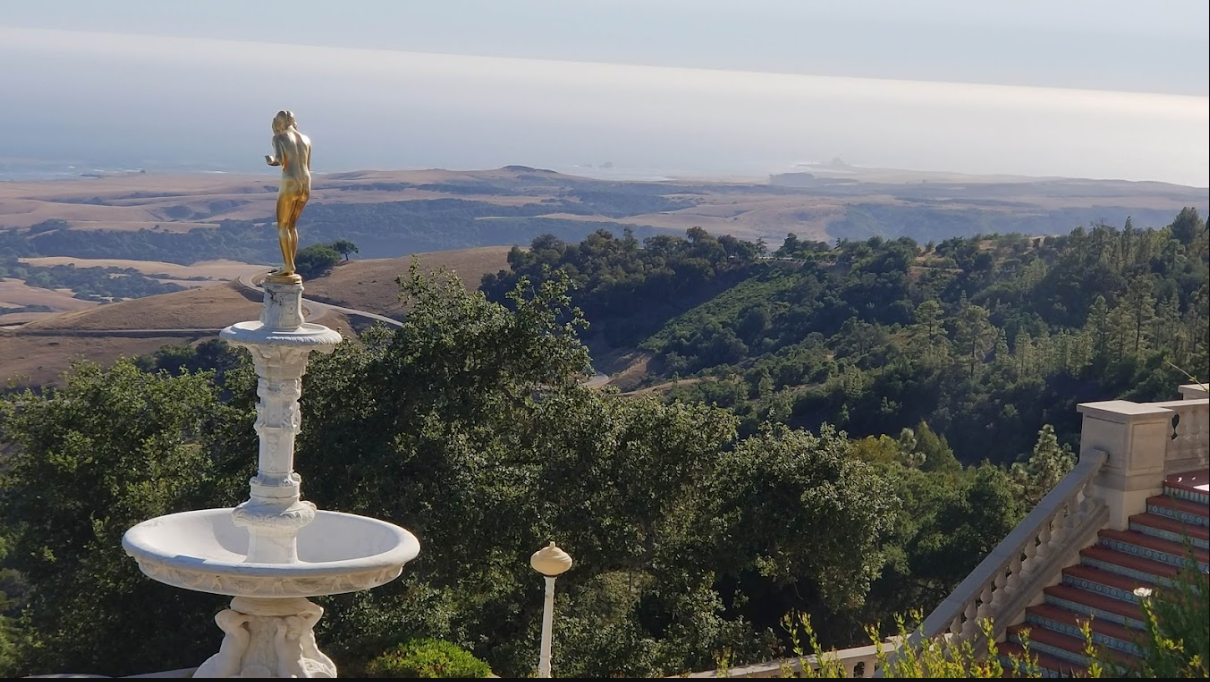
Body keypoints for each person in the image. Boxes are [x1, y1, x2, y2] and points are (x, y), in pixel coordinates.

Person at [264, 110, 312, 281]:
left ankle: (288, 265)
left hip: (290, 183)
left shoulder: (279, 137)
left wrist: (269, 159)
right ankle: (290, 264)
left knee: (283, 225)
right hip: (305, 183)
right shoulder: (306, 139)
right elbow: (307, 164)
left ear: (279, 122)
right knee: (292, 225)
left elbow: (278, 160)